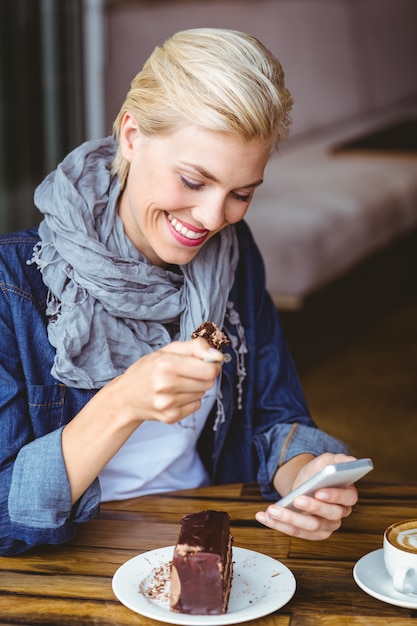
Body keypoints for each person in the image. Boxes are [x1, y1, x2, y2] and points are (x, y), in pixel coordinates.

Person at [0, 28, 358, 557]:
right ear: (131, 135)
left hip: (206, 539)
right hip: (74, 560)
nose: (213, 219)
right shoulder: (15, 285)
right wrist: (122, 402)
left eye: (240, 194)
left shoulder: (233, 254)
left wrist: (305, 474)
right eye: (193, 181)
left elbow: (272, 415)